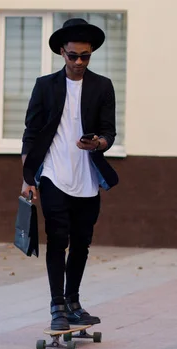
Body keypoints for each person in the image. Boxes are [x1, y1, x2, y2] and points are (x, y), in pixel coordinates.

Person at [20, 18, 118, 331]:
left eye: (85, 56)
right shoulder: (45, 85)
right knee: (57, 239)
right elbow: (31, 133)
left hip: (87, 177)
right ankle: (57, 306)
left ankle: (73, 302)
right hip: (53, 176)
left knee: (81, 244)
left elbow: (109, 133)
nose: (78, 62)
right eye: (73, 55)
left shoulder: (102, 86)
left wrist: (97, 143)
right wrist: (27, 178)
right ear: (62, 52)